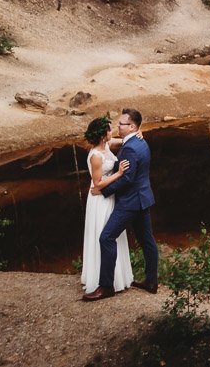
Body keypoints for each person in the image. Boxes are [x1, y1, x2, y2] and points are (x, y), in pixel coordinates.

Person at [83, 108, 159, 301]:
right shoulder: (140, 142)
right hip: (142, 198)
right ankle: (151, 281)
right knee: (147, 240)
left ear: (131, 126)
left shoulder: (131, 147)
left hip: (130, 202)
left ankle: (106, 287)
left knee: (106, 238)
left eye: (121, 124)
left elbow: (127, 179)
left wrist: (103, 190)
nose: (117, 126)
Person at [80, 116, 133, 294]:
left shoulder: (107, 146)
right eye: (110, 130)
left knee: (112, 235)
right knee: (102, 233)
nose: (113, 132)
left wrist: (137, 133)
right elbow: (97, 184)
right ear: (103, 135)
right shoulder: (95, 155)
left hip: (109, 197)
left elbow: (122, 140)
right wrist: (119, 174)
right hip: (99, 199)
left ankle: (117, 277)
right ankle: (101, 279)